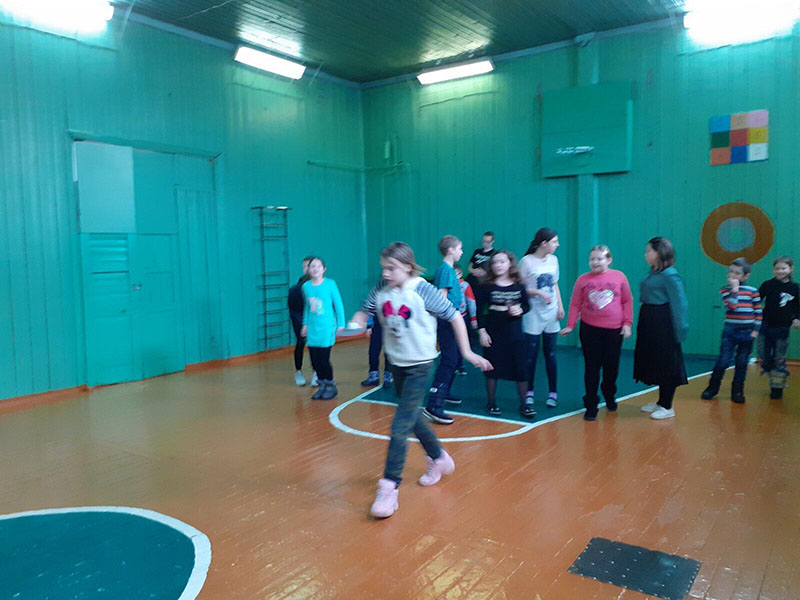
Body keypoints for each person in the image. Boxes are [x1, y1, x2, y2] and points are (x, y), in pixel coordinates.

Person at [350, 242, 492, 519]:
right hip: (396, 363)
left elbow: (454, 316)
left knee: (399, 426)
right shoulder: (382, 287)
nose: (386, 273)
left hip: (420, 366)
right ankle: (439, 457)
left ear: (407, 266)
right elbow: (364, 311)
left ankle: (389, 487)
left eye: (391, 268)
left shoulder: (422, 290)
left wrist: (466, 352)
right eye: (383, 268)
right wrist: (354, 324)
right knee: (412, 416)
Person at [561, 245, 633, 420]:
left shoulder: (619, 277)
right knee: (591, 367)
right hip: (589, 329)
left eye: (599, 259)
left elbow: (627, 301)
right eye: (592, 259)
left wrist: (627, 324)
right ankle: (591, 404)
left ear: (609, 260)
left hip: (614, 330)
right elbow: (575, 304)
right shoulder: (582, 280)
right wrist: (571, 325)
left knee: (611, 367)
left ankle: (609, 394)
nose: (595, 262)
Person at [635, 237, 689, 420]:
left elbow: (680, 304)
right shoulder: (654, 272)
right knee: (656, 361)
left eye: (648, 251)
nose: (645, 254)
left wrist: (680, 329)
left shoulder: (670, 275)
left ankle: (667, 406)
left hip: (663, 323)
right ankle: (660, 401)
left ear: (659, 253)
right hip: (649, 319)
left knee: (666, 362)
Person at [475, 251, 532, 417]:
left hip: (515, 334)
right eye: (495, 262)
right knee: (492, 369)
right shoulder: (486, 286)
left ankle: (524, 405)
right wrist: (482, 331)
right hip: (494, 334)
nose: (498, 265)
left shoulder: (518, 285)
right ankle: (491, 403)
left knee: (521, 369)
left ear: (510, 264)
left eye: (502, 261)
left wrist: (520, 310)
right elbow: (479, 311)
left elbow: (527, 305)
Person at [701, 258, 762, 404]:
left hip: (747, 332)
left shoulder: (753, 291)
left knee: (741, 363)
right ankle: (712, 388)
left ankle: (738, 391)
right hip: (730, 332)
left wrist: (756, 330)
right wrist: (734, 289)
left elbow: (758, 312)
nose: (732, 275)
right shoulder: (725, 290)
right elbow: (732, 306)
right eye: (730, 272)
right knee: (723, 361)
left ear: (745, 276)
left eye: (737, 273)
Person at [519, 228, 564, 410]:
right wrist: (537, 292)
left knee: (551, 354)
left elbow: (555, 284)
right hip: (533, 313)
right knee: (530, 355)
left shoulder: (554, 260)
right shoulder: (526, 262)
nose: (557, 245)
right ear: (544, 243)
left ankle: (553, 393)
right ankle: (529, 391)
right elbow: (519, 289)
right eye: (554, 242)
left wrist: (560, 306)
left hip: (551, 313)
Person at [424, 235, 464, 424]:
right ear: (451, 250)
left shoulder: (446, 270)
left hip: (451, 319)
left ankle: (444, 391)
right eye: (459, 248)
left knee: (453, 359)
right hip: (448, 321)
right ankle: (434, 403)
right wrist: (449, 317)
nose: (461, 252)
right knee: (449, 360)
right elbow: (441, 297)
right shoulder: (446, 270)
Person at [301, 257, 345, 400]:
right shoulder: (306, 287)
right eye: (312, 266)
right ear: (308, 269)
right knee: (315, 360)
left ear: (324, 269)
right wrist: (305, 324)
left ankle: (331, 386)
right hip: (312, 328)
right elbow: (307, 308)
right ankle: (322, 386)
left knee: (324, 359)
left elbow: (338, 305)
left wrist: (341, 324)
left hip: (326, 328)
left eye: (318, 266)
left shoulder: (330, 284)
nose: (315, 269)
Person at [757, 256, 800, 399]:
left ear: (790, 269)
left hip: (782, 327)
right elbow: (757, 299)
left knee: (779, 357)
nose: (780, 271)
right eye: (777, 268)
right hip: (765, 324)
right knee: (763, 353)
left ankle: (777, 386)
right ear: (773, 270)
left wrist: (797, 318)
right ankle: (769, 368)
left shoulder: (794, 288)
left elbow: (798, 306)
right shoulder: (767, 285)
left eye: (783, 268)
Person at [288, 256, 313, 386]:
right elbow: (294, 310)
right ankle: (298, 371)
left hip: (316, 321)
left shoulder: (323, 286)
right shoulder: (295, 290)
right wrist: (304, 324)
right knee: (301, 341)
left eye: (310, 266)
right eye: (305, 267)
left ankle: (317, 372)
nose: (307, 269)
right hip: (300, 320)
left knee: (317, 345)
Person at [454, 264, 478, 377]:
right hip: (450, 318)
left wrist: (473, 318)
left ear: (460, 274)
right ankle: (453, 365)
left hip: (463, 317)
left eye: (455, 274)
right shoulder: (447, 285)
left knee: (462, 342)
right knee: (452, 343)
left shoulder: (465, 285)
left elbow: (471, 302)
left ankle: (461, 366)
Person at [360, 314, 393, 388]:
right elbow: (370, 311)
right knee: (373, 352)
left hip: (390, 325)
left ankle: (388, 376)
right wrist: (369, 326)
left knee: (388, 352)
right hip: (377, 325)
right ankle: (374, 377)